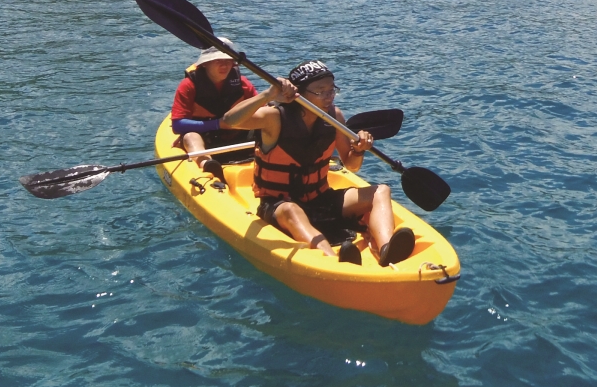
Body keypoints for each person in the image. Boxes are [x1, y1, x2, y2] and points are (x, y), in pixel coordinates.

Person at [220, 60, 415, 266]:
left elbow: (351, 165)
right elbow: (229, 121)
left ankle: (386, 249)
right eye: (320, 91)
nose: (328, 97)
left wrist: (358, 150)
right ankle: (331, 260)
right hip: (279, 204)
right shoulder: (274, 117)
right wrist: (267, 95)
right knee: (291, 210)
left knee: (380, 190)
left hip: (320, 199)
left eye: (331, 90)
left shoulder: (334, 116)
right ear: (300, 94)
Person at [170, 39, 258, 178]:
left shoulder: (243, 84)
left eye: (228, 60)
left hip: (238, 137)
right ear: (205, 63)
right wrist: (218, 124)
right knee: (190, 136)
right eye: (217, 60)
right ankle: (206, 163)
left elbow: (262, 112)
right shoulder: (189, 86)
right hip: (207, 139)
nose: (224, 65)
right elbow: (177, 125)